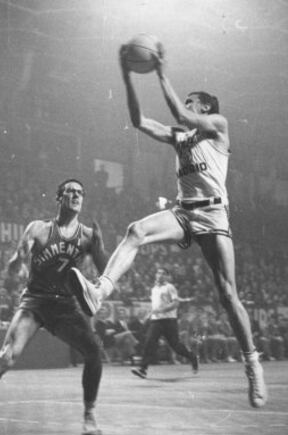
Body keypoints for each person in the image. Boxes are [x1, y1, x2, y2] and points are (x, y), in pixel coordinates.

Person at [68, 46, 267, 408]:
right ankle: (99, 290)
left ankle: (252, 363)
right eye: (187, 101)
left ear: (206, 108)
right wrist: (128, 75)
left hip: (214, 216)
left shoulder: (218, 128)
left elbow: (178, 112)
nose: (187, 105)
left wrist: (160, 72)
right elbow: (139, 121)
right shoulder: (181, 135)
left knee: (227, 293)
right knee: (135, 230)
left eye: (193, 101)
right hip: (184, 213)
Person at [0, 179, 108, 435]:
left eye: (80, 193)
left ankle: (89, 415)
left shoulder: (87, 236)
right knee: (6, 357)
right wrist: (18, 260)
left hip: (65, 305)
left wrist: (99, 247)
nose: (75, 195)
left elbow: (104, 272)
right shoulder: (39, 229)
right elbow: (13, 266)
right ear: (59, 198)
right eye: (70, 192)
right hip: (36, 302)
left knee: (94, 352)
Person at [131, 268, 198, 378]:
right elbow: (155, 306)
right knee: (149, 342)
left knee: (175, 346)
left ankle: (192, 357)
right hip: (156, 321)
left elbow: (176, 304)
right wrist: (150, 314)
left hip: (169, 321)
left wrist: (161, 310)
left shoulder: (170, 287)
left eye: (163, 273)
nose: (160, 275)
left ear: (167, 276)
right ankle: (143, 369)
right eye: (158, 273)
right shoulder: (154, 289)